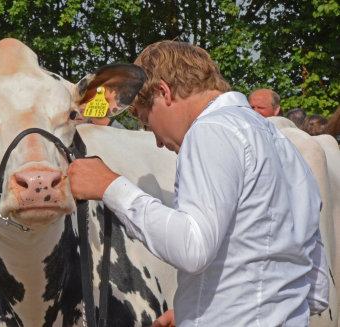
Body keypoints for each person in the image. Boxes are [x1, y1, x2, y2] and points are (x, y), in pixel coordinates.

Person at [67, 41, 329, 326]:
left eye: (147, 122)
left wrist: (110, 186)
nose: (156, 141)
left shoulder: (210, 131)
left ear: (162, 92)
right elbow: (315, 290)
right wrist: (200, 308)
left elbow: (192, 248)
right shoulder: (282, 144)